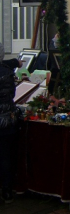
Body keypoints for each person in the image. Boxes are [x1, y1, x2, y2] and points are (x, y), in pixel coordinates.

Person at [0, 43, 23, 204]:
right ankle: (6, 190)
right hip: (6, 120)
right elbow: (12, 94)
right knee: (6, 156)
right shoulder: (7, 73)